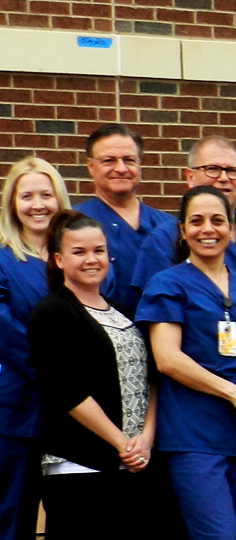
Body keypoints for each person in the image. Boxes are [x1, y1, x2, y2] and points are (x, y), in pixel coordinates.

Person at [28, 211, 180, 538]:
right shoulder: (51, 312)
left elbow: (151, 379)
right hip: (80, 468)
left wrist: (146, 439)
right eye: (79, 252)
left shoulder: (124, 313)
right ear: (58, 259)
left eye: (98, 250)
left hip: (136, 464)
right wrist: (121, 443)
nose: (91, 259)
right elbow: (66, 390)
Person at [139, 186, 236, 540]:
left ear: (231, 228)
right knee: (218, 535)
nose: (208, 229)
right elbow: (167, 359)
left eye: (217, 220)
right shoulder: (167, 284)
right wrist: (232, 392)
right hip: (195, 435)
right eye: (196, 221)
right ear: (182, 231)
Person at [133, 136, 236, 306]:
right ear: (190, 177)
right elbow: (157, 306)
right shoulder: (164, 239)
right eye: (212, 169)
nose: (224, 178)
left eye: (232, 171)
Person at [0, 157, 69, 538]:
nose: (38, 205)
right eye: (27, 196)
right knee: (13, 514)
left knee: (70, 515)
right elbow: (4, 330)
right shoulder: (3, 260)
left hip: (75, 412)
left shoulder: (76, 259)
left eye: (46, 195)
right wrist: (52, 373)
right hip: (19, 410)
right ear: (12, 203)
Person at [76, 124, 173, 308]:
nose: (121, 168)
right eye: (109, 160)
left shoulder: (168, 226)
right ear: (91, 166)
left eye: (129, 160)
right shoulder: (73, 221)